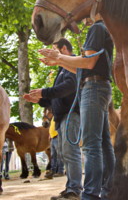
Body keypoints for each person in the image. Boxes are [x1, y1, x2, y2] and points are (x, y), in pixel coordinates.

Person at [38, 15, 115, 200]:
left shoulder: (97, 28)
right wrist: (59, 61)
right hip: (99, 86)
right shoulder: (105, 28)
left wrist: (59, 58)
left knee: (91, 145)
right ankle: (108, 191)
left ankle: (90, 194)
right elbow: (86, 68)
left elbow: (88, 63)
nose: (81, 20)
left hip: (93, 89)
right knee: (103, 143)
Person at [24, 38, 82, 200]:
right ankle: (71, 187)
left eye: (53, 50)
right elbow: (55, 97)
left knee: (71, 152)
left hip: (72, 114)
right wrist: (40, 100)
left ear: (64, 49)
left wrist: (44, 92)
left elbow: (68, 88)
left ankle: (75, 190)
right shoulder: (62, 69)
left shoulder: (72, 65)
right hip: (62, 116)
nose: (49, 54)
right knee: (65, 153)